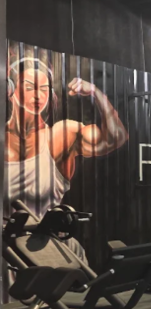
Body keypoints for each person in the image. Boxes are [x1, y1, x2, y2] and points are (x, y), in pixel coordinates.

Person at [4, 53, 128, 250]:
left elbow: (116, 137)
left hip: (50, 250)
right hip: (6, 254)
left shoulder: (61, 135)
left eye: (44, 89)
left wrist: (96, 93)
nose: (38, 95)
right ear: (10, 90)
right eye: (29, 87)